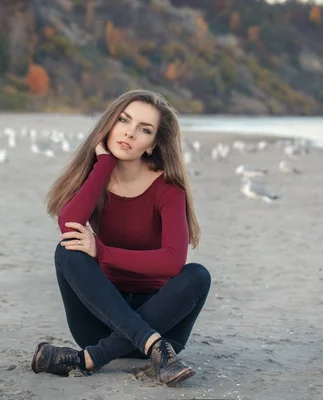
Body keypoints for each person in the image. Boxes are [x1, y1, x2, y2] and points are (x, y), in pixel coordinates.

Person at [31, 89, 211, 387]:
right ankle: (151, 345)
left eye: (144, 129)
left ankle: (90, 359)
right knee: (68, 249)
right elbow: (70, 223)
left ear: (152, 144)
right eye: (124, 120)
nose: (130, 132)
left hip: (163, 324)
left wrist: (102, 252)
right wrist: (103, 166)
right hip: (101, 321)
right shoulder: (97, 178)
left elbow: (172, 261)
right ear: (110, 124)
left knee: (197, 275)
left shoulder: (168, 190)